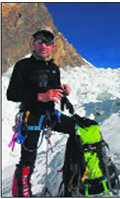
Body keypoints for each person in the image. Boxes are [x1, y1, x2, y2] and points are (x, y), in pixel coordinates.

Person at [7, 27, 76, 197]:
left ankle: (72, 176)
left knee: (77, 129)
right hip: (31, 117)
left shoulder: (54, 69)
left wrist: (63, 91)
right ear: (33, 43)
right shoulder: (23, 66)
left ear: (53, 47)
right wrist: (40, 96)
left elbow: (52, 91)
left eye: (48, 42)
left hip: (50, 115)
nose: (44, 45)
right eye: (40, 41)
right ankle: (22, 193)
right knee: (28, 159)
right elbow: (12, 94)